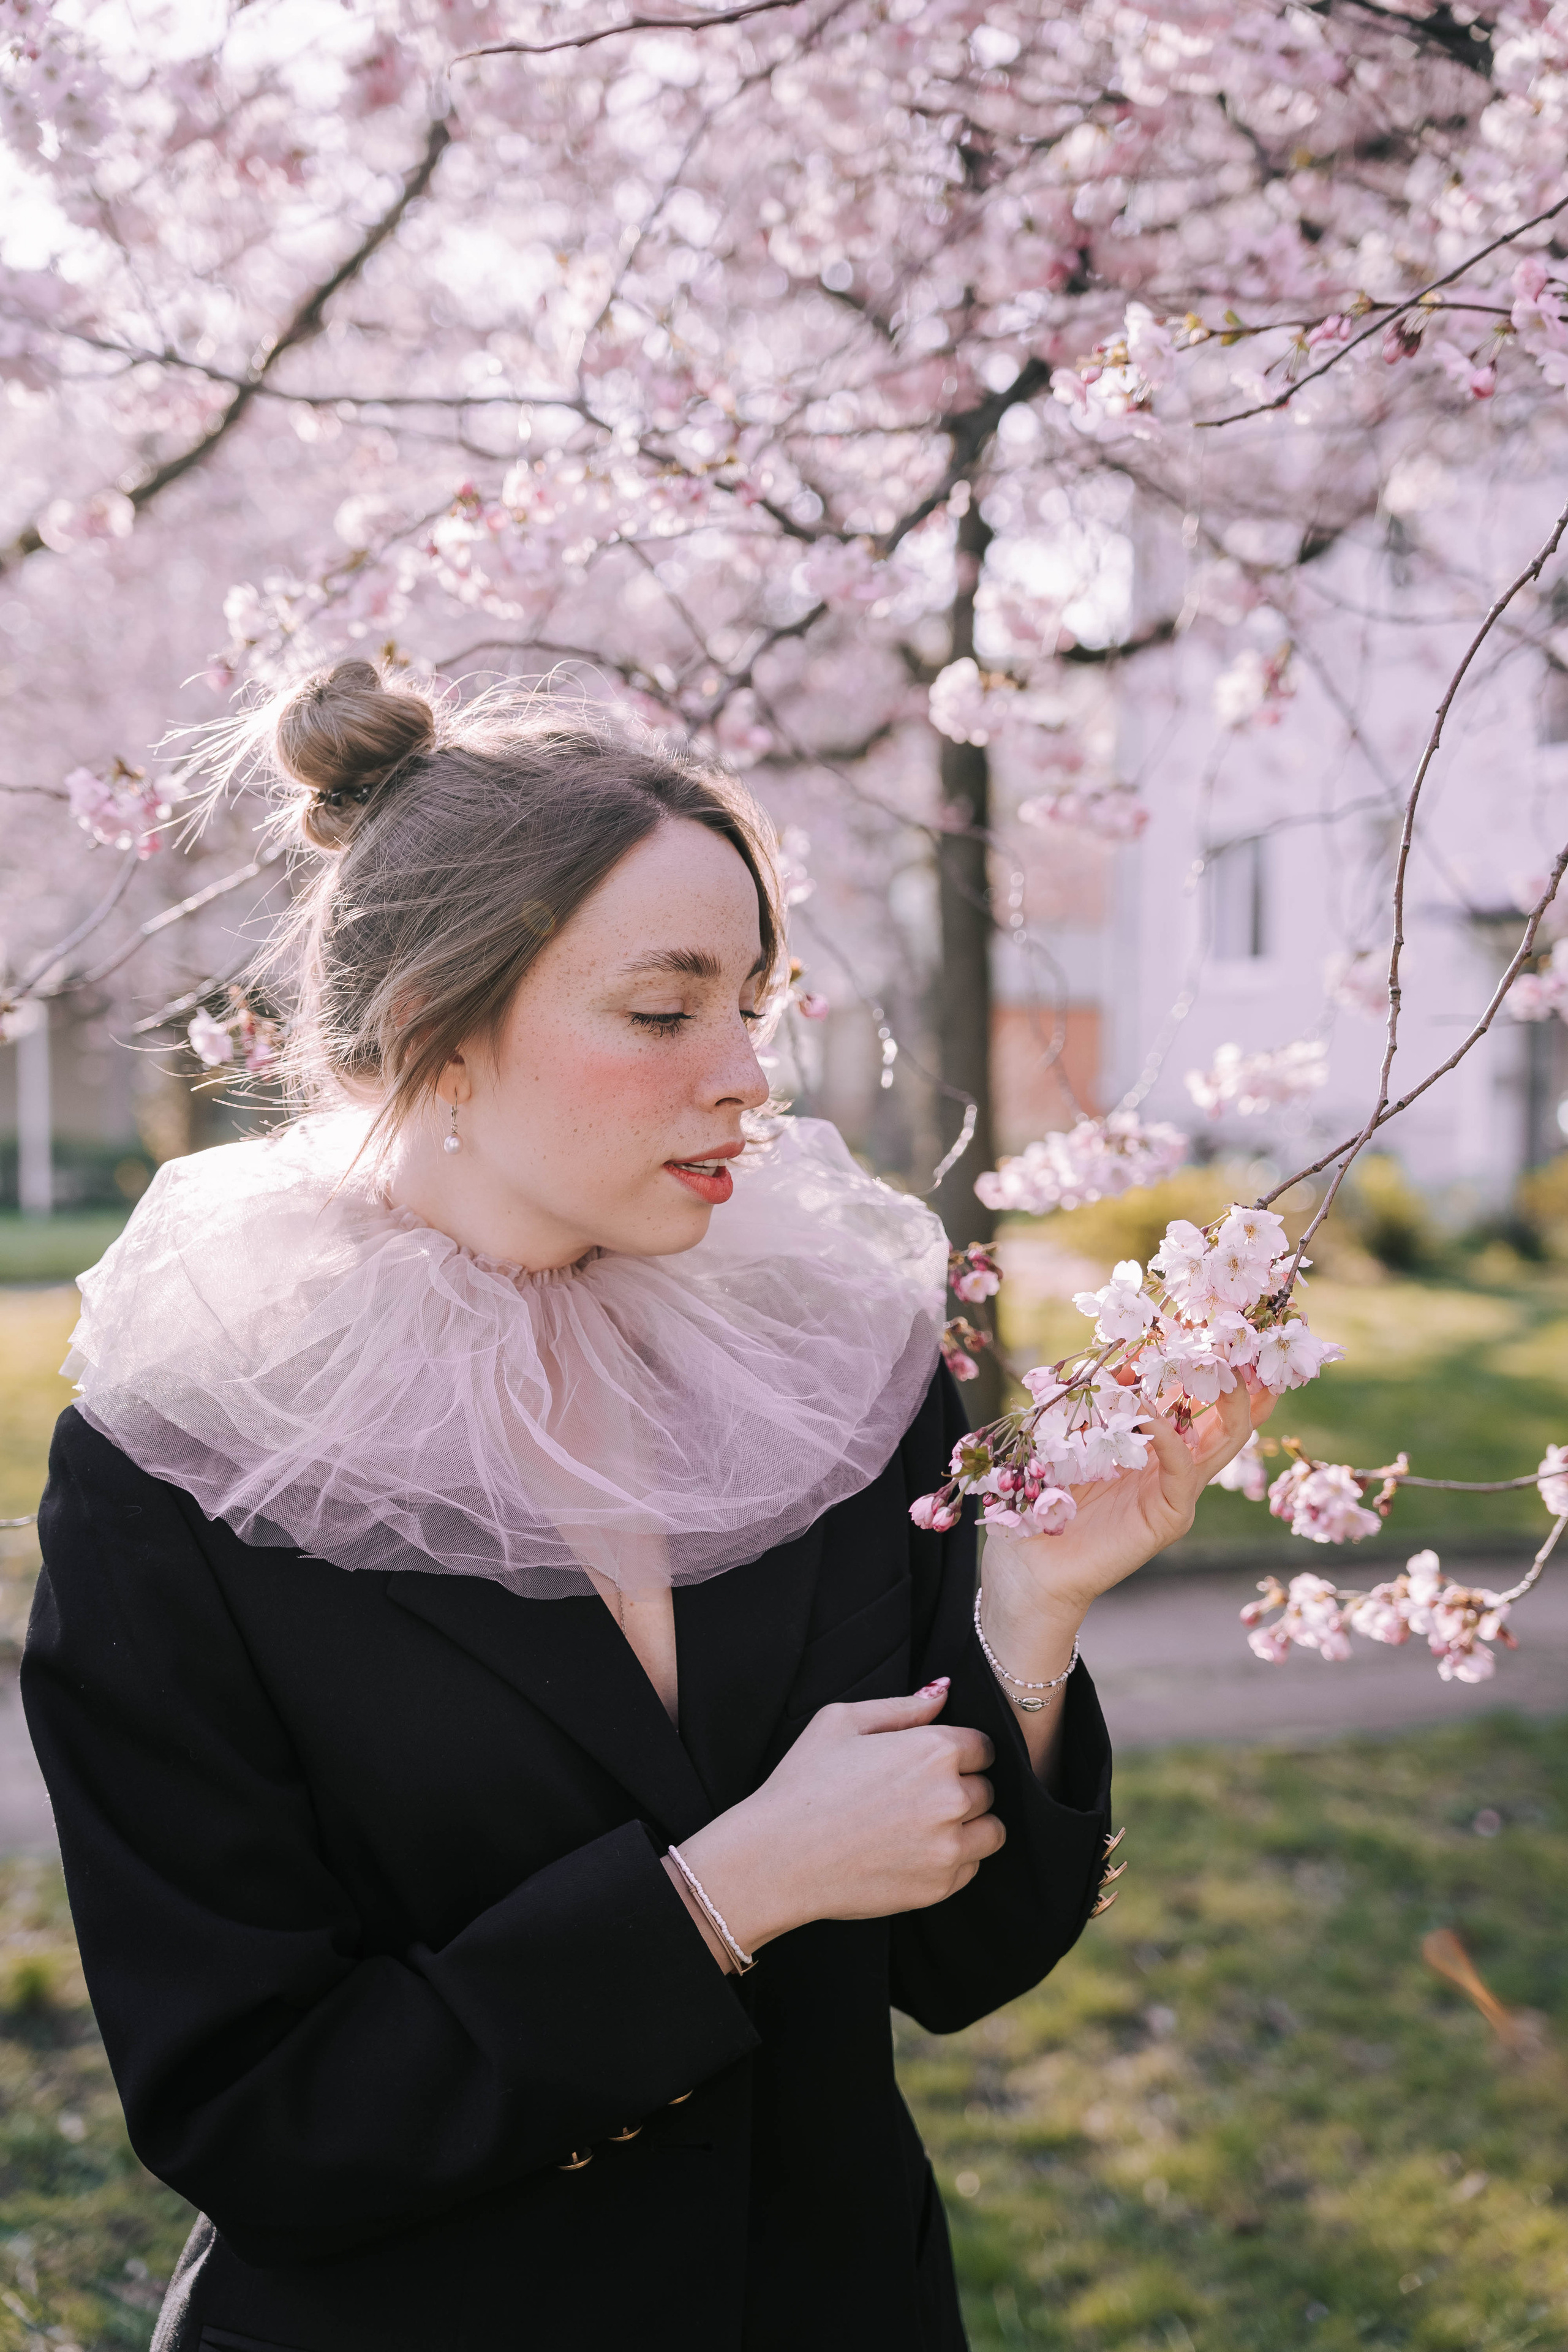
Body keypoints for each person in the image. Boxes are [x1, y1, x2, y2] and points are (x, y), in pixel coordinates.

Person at [23, 663, 1259, 2352]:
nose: (748, 1072)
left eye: (758, 999)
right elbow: (260, 2115)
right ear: (432, 1038)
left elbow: (961, 1963)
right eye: (667, 1012)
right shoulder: (179, 1471)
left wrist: (1027, 1616)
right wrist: (719, 1896)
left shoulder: (829, 1364)